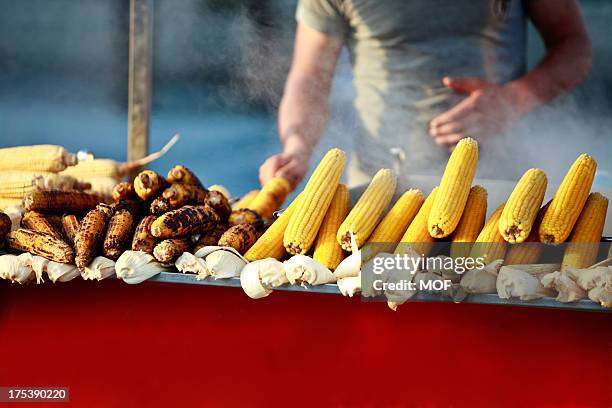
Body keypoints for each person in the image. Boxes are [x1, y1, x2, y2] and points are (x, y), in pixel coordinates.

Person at [259, 0, 591, 190]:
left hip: (498, 190)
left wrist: (515, 99)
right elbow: (309, 78)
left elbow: (573, 46)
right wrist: (297, 147)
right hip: (379, 190)